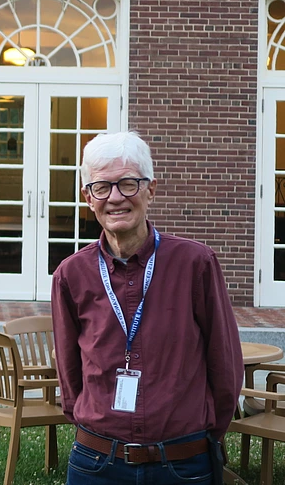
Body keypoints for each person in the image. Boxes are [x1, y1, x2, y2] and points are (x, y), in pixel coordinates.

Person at [51, 131, 243, 485]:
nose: (115, 198)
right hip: (96, 463)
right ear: (87, 198)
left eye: (127, 184)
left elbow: (225, 364)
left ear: (150, 189)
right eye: (101, 187)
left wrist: (204, 436)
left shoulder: (195, 264)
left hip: (183, 463)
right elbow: (69, 377)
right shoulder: (71, 275)